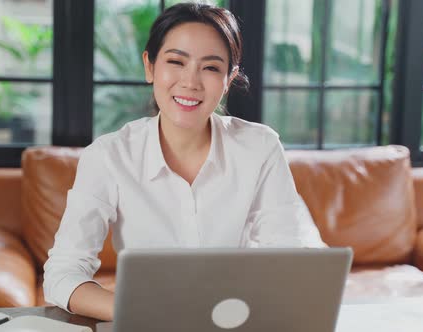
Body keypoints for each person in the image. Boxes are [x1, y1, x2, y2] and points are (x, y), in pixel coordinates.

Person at [43, 2, 325, 322]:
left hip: (237, 321)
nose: (190, 82)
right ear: (150, 66)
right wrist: (141, 313)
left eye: (211, 67)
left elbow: (292, 256)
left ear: (229, 79)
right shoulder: (108, 156)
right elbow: (61, 275)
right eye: (176, 61)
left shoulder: (260, 147)